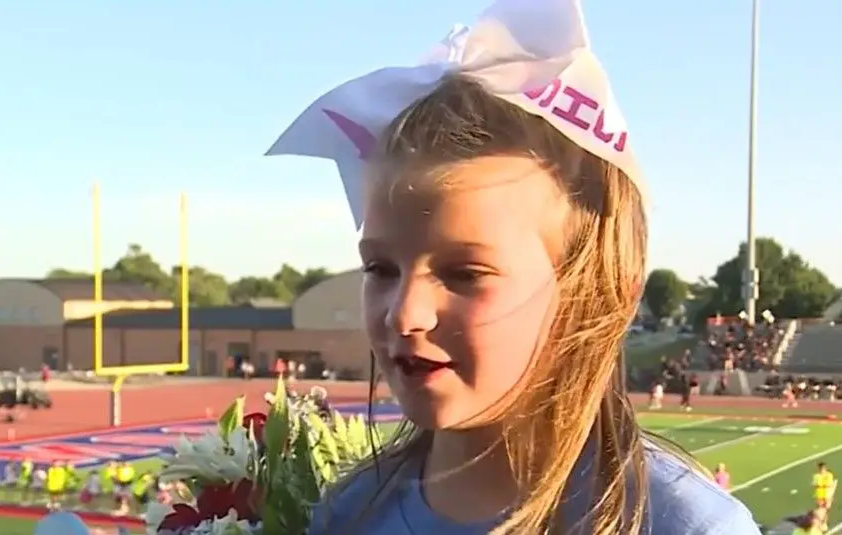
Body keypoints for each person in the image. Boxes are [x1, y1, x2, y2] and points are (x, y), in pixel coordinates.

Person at [268, 0, 760, 532]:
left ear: (598, 295)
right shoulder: (349, 513)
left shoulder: (677, 524)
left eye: (464, 273)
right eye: (381, 269)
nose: (405, 313)